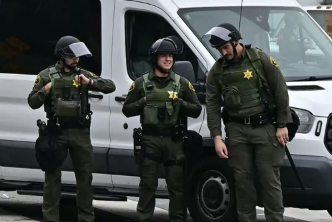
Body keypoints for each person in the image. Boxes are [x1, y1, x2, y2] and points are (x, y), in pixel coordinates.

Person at [204, 24, 291, 222]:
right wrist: (217, 137)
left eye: (225, 47)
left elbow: (280, 91)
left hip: (265, 128)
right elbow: (212, 105)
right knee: (242, 183)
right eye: (219, 49)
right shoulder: (217, 71)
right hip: (237, 131)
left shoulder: (260, 60)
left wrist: (282, 124)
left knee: (269, 181)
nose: (223, 52)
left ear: (236, 41)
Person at [28, 36, 116, 222]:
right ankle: (50, 218)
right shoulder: (46, 75)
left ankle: (86, 218)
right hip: (56, 133)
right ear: (62, 56)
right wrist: (46, 89)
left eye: (77, 56)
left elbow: (110, 86)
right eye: (72, 56)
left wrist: (90, 83)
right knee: (52, 180)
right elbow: (32, 101)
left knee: (84, 179)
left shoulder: (83, 74)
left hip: (80, 133)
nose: (76, 60)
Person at [122, 37, 202, 222]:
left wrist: (180, 103)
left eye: (171, 56)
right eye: (164, 56)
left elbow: (196, 110)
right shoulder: (141, 83)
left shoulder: (182, 83)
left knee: (177, 187)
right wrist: (143, 102)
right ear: (154, 58)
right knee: (148, 185)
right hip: (150, 140)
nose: (168, 59)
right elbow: (127, 109)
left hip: (174, 141)